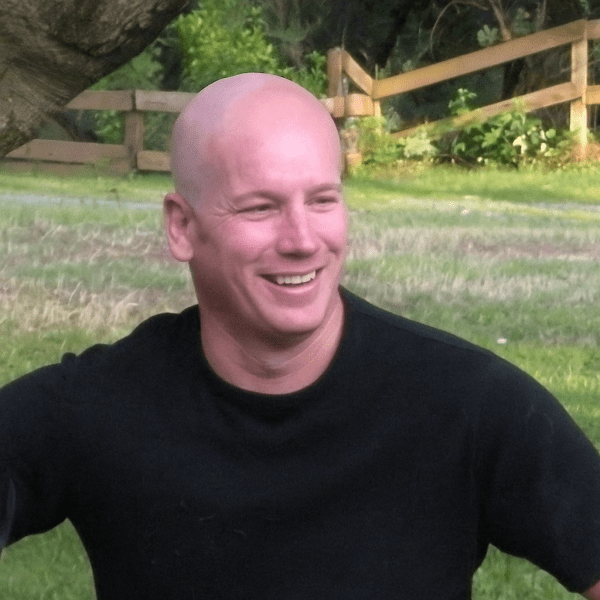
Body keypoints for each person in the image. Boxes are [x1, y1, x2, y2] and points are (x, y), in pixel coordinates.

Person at [1, 73, 600, 600]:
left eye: (321, 200)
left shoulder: (467, 403)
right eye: (260, 208)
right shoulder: (98, 405)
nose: (302, 240)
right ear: (182, 227)